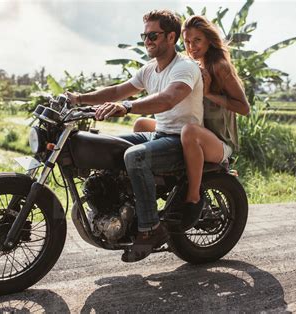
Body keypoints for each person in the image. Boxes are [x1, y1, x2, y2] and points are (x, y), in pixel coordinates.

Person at [66, 10, 204, 262]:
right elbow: (119, 90)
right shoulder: (150, 69)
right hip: (159, 135)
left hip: (180, 141)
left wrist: (128, 107)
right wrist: (79, 99)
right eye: (144, 35)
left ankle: (150, 227)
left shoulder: (185, 67)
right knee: (107, 147)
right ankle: (114, 205)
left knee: (134, 156)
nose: (147, 41)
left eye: (153, 35)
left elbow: (168, 98)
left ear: (171, 37)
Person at [134, 15, 250, 229]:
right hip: (196, 132)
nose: (192, 46)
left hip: (217, 139)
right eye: (187, 41)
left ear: (208, 40)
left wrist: (209, 93)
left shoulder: (219, 66)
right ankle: (157, 185)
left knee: (189, 131)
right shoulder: (190, 66)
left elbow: (244, 107)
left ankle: (193, 197)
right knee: (142, 124)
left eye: (197, 40)